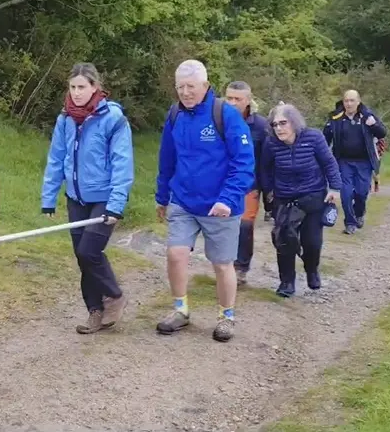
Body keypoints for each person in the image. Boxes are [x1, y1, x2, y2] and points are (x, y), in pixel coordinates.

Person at [154, 59, 254, 343]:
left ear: (206, 85)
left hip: (220, 206)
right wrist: (162, 197)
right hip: (183, 201)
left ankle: (226, 316)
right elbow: (167, 159)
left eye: (191, 86)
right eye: (180, 87)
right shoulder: (175, 115)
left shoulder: (226, 115)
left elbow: (244, 163)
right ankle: (180, 310)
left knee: (222, 264)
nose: (185, 92)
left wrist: (227, 199)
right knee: (175, 254)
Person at [41, 63, 134, 334]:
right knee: (82, 258)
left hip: (104, 198)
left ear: (95, 87)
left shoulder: (113, 118)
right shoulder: (65, 119)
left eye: (82, 87)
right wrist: (49, 197)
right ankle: (95, 310)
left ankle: (114, 295)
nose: (77, 92)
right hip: (76, 198)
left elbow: (122, 164)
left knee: (88, 251)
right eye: (72, 87)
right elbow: (56, 159)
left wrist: (116, 205)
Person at [262, 104, 341, 297]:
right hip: (284, 198)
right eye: (275, 124)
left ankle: (311, 269)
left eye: (283, 123)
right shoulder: (271, 143)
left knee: (312, 242)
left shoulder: (313, 137)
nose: (279, 128)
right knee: (284, 241)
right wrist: (269, 191)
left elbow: (329, 162)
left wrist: (335, 188)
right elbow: (264, 169)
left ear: (294, 122)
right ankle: (287, 282)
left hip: (312, 196)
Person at [323, 90, 388, 235]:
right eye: (346, 100)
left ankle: (359, 213)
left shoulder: (367, 116)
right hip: (344, 162)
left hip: (364, 162)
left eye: (352, 100)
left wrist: (373, 125)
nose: (349, 104)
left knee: (361, 192)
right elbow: (324, 138)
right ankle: (350, 223)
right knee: (346, 193)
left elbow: (382, 133)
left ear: (358, 102)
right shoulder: (336, 118)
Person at [224, 81, 270, 286]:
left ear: (248, 100)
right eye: (229, 98)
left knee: (244, 225)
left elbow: (267, 159)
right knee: (224, 225)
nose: (233, 103)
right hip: (221, 182)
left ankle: (241, 267)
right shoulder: (217, 119)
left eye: (238, 99)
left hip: (249, 184)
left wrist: (268, 188)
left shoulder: (261, 126)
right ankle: (224, 263)